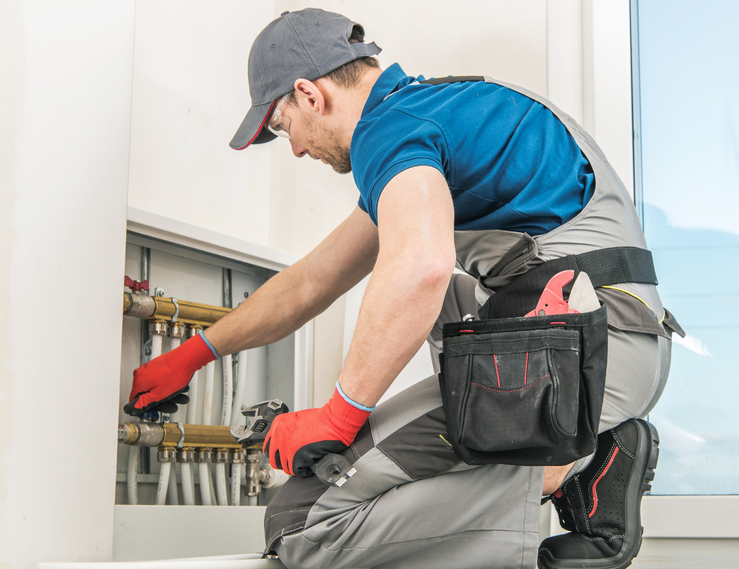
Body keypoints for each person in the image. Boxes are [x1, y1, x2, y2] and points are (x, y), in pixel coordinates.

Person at [124, 9, 678, 569]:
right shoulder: (430, 114)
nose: (292, 149)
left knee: (303, 523)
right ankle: (549, 454)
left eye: (279, 125)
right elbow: (314, 280)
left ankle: (573, 467)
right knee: (415, 286)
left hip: (585, 355)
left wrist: (336, 417)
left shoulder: (391, 132)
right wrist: (196, 353)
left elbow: (422, 268)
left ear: (309, 95)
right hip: (607, 339)